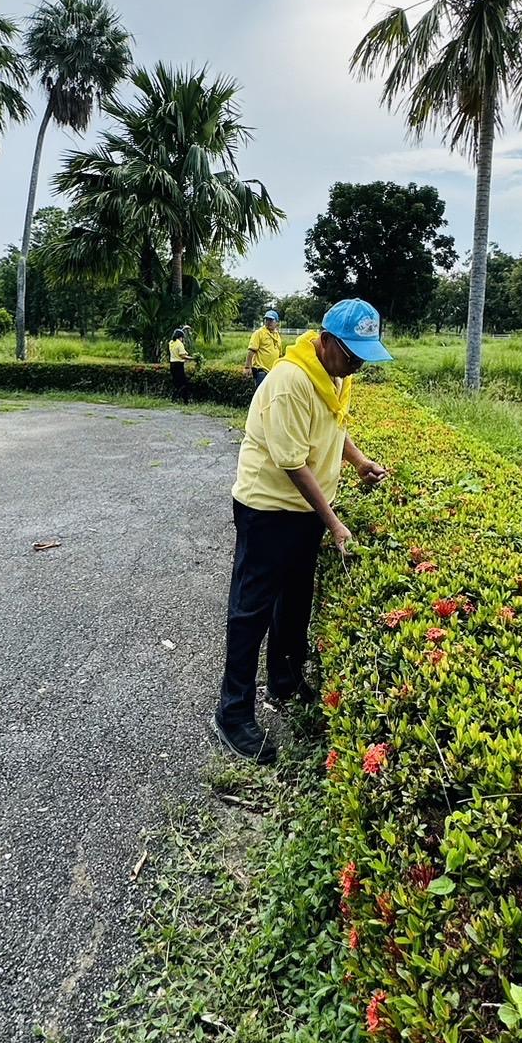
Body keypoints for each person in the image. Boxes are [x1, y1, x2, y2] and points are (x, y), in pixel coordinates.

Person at [213, 298, 392, 763]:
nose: (357, 364)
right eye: (351, 353)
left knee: (295, 602)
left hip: (305, 511)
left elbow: (333, 427)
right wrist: (332, 521)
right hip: (269, 509)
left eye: (364, 356)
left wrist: (359, 462)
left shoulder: (333, 374)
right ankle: (233, 714)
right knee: (251, 610)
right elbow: (292, 462)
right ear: (327, 340)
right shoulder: (290, 382)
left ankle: (285, 681)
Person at [244, 309, 283, 390]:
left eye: (271, 320)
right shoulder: (259, 333)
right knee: (261, 396)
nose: (268, 322)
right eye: (266, 319)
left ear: (277, 322)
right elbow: (251, 350)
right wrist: (247, 367)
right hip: (261, 371)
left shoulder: (277, 335)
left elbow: (280, 355)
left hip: (272, 371)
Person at [168, 327, 194, 404]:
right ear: (180, 337)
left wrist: (183, 329)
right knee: (183, 383)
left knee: (176, 383)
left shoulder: (171, 343)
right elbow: (182, 355)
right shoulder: (180, 344)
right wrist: (192, 358)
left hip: (172, 364)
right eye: (182, 337)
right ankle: (185, 401)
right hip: (179, 365)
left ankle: (174, 400)